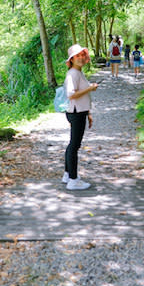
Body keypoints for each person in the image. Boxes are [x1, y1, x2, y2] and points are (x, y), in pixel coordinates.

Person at [62, 44, 96, 190]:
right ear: (72, 59)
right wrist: (90, 88)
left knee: (72, 144)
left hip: (80, 111)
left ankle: (68, 174)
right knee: (74, 146)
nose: (81, 58)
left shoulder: (78, 72)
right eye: (77, 56)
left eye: (82, 55)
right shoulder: (73, 74)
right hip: (76, 112)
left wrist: (88, 113)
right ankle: (73, 180)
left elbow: (81, 94)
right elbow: (71, 95)